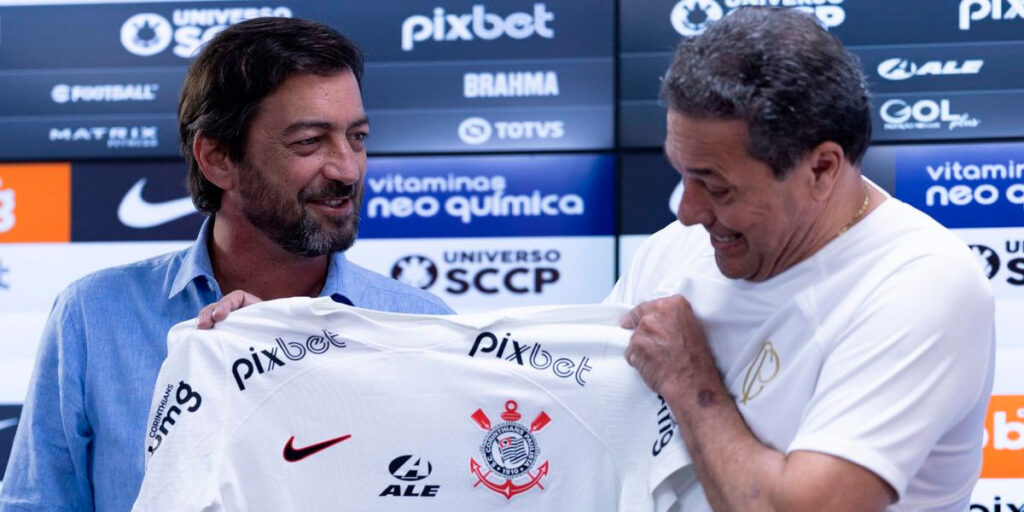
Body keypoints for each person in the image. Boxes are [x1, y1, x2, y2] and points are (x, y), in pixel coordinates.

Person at [0, 17, 450, 512]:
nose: (347, 168)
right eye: (309, 142)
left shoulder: (422, 326)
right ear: (217, 158)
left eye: (357, 137)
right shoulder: (92, 316)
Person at [610, 7, 995, 512]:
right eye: (682, 175)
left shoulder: (922, 282)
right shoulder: (673, 249)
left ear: (821, 167)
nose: (687, 212)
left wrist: (691, 382)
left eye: (716, 187)